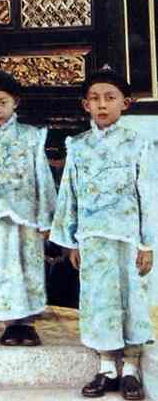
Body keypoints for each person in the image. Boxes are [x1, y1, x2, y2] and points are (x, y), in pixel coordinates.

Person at [51, 66, 154, 401]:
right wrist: (70, 241)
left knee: (131, 299)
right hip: (92, 239)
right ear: (85, 105)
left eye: (110, 97)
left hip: (127, 239)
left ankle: (132, 369)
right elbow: (69, 194)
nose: (102, 104)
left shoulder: (137, 144)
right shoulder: (78, 146)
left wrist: (147, 243)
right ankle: (107, 366)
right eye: (94, 98)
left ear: (125, 103)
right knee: (98, 300)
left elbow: (148, 195)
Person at [0, 68, 57, 345]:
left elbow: (43, 177)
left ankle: (26, 323)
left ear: (15, 101)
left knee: (27, 265)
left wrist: (46, 219)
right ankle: (8, 324)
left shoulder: (31, 137)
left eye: (2, 102)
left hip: (26, 216)